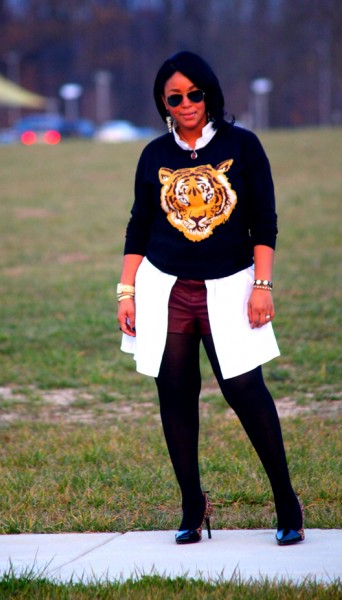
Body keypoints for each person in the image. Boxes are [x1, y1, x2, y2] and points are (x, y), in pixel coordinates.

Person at [117, 51, 304, 546]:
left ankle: (285, 499)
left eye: (194, 94)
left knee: (246, 391)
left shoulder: (243, 146)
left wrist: (263, 286)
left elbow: (264, 221)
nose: (186, 104)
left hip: (232, 284)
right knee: (174, 394)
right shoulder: (154, 154)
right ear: (163, 102)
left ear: (210, 93)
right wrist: (127, 291)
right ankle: (191, 505)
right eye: (174, 97)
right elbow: (139, 224)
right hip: (166, 287)